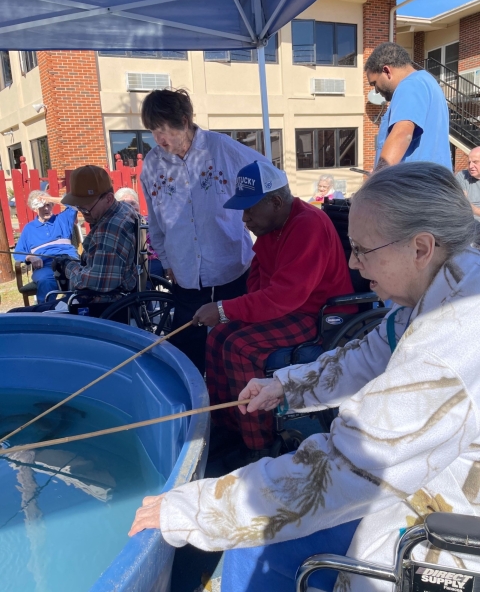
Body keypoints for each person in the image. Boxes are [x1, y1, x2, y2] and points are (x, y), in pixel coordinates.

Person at [130, 162, 480, 592]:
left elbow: (344, 469)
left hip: (447, 521)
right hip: (422, 476)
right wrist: (286, 386)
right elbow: (368, 353)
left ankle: (255, 448)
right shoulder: (446, 284)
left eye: (362, 249)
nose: (353, 261)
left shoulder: (451, 343)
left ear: (421, 248)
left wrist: (193, 509)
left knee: (258, 544)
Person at [192, 161, 354, 467]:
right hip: (293, 310)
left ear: (276, 202)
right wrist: (231, 314)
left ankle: (261, 444)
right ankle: (231, 424)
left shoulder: (308, 225)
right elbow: (259, 281)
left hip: (322, 316)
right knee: (218, 339)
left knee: (240, 347)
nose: (245, 218)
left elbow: (285, 296)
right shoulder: (273, 226)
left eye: (249, 210)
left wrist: (225, 310)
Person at [140, 88, 267, 374]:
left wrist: (254, 217)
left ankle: (235, 409)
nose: (159, 139)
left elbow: (268, 175)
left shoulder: (222, 148)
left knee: (234, 351)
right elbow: (157, 223)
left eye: (164, 130)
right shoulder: (151, 165)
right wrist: (168, 262)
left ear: (184, 121)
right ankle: (196, 411)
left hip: (231, 269)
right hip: (185, 276)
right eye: (152, 131)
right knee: (188, 355)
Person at [9, 165, 138, 317]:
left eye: (86, 206)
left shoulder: (110, 229)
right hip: (96, 296)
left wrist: (67, 265)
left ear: (109, 198)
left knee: (14, 315)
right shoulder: (123, 209)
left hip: (97, 305)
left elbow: (98, 283)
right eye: (79, 206)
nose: (82, 211)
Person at [365, 42, 451, 171]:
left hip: (415, 185)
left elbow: (402, 134)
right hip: (432, 183)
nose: (376, 91)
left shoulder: (409, 85)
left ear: (387, 71)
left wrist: (378, 178)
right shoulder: (428, 82)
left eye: (374, 83)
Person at [13, 190, 79, 302]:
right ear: (35, 209)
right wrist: (30, 257)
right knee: (45, 281)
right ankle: (46, 314)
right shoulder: (29, 228)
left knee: (79, 279)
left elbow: (75, 203)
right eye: (42, 206)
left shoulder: (63, 219)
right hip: (45, 266)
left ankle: (72, 312)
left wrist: (50, 199)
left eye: (48, 205)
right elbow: (18, 252)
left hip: (70, 261)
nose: (46, 209)